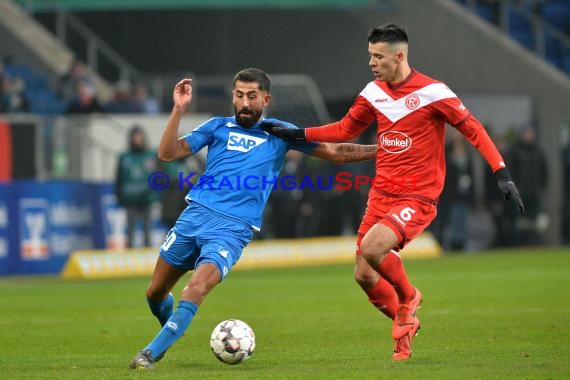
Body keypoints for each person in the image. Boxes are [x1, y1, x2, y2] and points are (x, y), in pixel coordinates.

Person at [261, 24, 525, 361]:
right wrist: (298, 134)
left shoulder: (434, 93)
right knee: (363, 274)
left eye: (378, 56)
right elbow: (345, 129)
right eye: (370, 55)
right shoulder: (373, 92)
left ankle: (409, 297)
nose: (371, 62)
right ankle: (405, 331)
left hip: (418, 196)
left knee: (373, 248)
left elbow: (474, 130)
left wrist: (501, 173)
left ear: (399, 56)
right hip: (381, 194)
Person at [128, 68, 377, 370]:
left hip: (232, 229)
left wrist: (383, 149)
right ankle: (171, 331)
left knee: (194, 289)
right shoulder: (216, 127)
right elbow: (168, 154)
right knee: (155, 293)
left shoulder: (280, 133)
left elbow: (336, 152)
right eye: (239, 95)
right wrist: (179, 109)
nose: (244, 103)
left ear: (265, 99)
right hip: (194, 216)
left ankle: (149, 354)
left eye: (252, 96)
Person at [115, 125, 159, 247]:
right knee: (130, 231)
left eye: (139, 137)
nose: (137, 140)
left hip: (146, 199)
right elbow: (119, 178)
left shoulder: (150, 155)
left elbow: (158, 176)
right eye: (135, 137)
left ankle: (149, 258)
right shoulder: (124, 157)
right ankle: (130, 256)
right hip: (130, 199)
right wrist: (119, 196)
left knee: (147, 231)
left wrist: (156, 194)